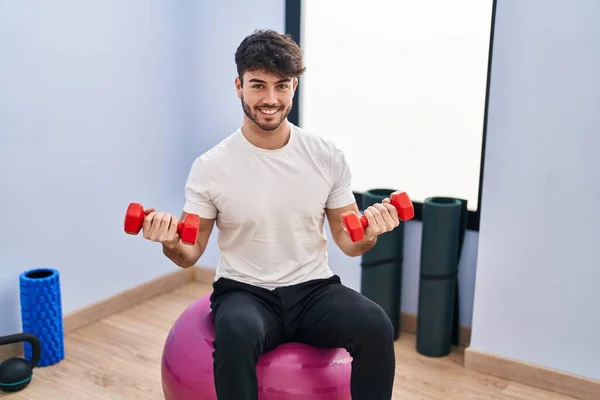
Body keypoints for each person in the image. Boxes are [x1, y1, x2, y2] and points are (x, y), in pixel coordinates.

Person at [142, 29, 399, 400]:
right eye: (258, 85)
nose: (270, 99)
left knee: (375, 324)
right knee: (235, 335)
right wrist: (169, 241)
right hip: (245, 292)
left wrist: (372, 231)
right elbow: (189, 253)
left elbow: (350, 242)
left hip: (313, 289)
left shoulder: (326, 156)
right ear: (238, 86)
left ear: (293, 87)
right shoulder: (210, 167)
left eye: (281, 86)